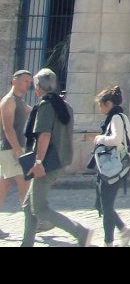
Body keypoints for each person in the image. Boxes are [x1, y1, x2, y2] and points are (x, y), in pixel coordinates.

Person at [21, 68, 94, 247]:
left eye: (36, 85)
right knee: (28, 206)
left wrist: (38, 162)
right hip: (59, 160)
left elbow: (44, 135)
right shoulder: (65, 105)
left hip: (46, 163)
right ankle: (26, 243)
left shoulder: (47, 105)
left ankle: (80, 232)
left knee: (39, 208)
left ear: (40, 87)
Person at [90, 85, 130, 247]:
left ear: (108, 103)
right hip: (117, 166)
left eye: (101, 105)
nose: (100, 108)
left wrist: (99, 139)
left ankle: (109, 242)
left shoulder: (115, 118)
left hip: (115, 168)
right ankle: (124, 230)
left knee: (106, 206)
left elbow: (116, 139)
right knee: (102, 203)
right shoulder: (122, 117)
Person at [0, 69, 33, 238]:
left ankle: (33, 222)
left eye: (30, 81)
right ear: (14, 81)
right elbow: (8, 128)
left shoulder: (20, 101)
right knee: (25, 186)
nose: (28, 84)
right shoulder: (9, 101)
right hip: (10, 150)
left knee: (4, 187)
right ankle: (33, 223)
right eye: (25, 81)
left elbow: (33, 111)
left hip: (13, 150)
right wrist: (19, 151)